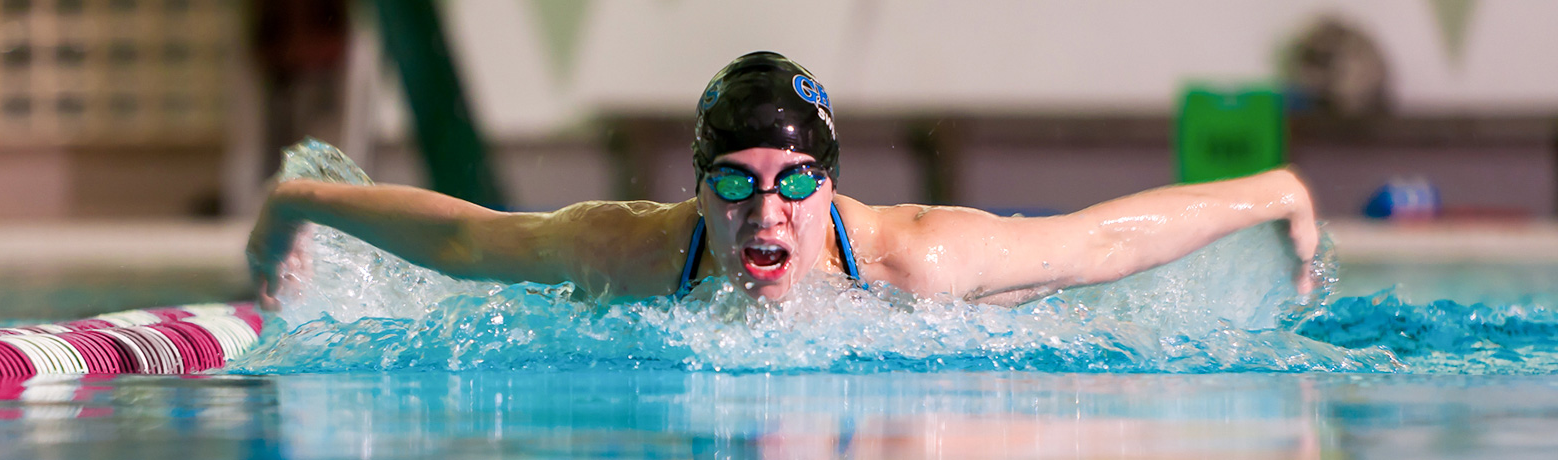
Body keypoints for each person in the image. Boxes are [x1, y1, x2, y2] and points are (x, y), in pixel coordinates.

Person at [248, 51, 1319, 310]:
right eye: (737, 182)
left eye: (797, 183)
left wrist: (1270, 191)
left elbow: (1099, 243)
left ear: (831, 184)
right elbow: (474, 238)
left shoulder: (917, 255)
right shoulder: (631, 246)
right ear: (696, 184)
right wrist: (303, 201)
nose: (767, 212)